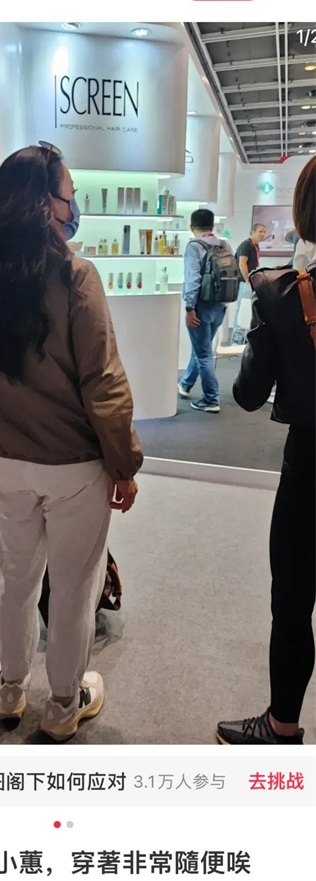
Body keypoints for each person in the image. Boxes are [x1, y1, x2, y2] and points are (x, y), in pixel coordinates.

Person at [0, 143, 143, 741]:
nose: (74, 206)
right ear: (46, 204)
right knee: (74, 586)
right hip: (72, 464)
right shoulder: (75, 276)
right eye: (70, 195)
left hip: (5, 462)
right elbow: (103, 381)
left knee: (15, 576)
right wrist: (124, 462)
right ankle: (62, 704)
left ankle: (10, 687)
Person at [217, 155, 316, 745]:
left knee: (295, 599)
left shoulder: (284, 295)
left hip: (310, 467)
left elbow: (249, 395)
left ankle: (282, 726)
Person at [177, 208, 235, 413]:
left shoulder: (194, 246)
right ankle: (186, 384)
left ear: (191, 226)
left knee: (203, 354)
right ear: (212, 226)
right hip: (220, 306)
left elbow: (193, 278)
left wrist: (189, 307)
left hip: (201, 306)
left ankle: (211, 399)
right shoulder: (224, 245)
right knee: (201, 347)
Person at [231, 222, 266, 345]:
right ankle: (237, 339)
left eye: (264, 232)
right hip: (244, 283)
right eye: (260, 231)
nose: (263, 234)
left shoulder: (255, 246)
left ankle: (244, 339)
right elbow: (242, 263)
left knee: (248, 309)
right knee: (242, 309)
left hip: (250, 282)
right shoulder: (246, 245)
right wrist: (247, 280)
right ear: (253, 232)